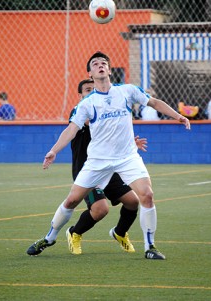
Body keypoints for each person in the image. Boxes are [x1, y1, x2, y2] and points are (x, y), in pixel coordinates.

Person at [26, 51, 190, 260]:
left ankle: (150, 247)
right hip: (98, 162)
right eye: (95, 64)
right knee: (71, 201)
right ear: (90, 73)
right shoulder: (87, 104)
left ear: (110, 70)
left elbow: (155, 103)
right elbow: (71, 130)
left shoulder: (127, 91)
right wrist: (53, 150)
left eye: (104, 63)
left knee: (146, 195)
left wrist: (178, 116)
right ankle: (49, 238)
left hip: (127, 158)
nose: (100, 65)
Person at [65, 78, 146, 255]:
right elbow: (96, 123)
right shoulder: (80, 111)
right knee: (101, 210)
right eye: (87, 90)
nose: (91, 92)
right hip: (89, 170)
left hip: (110, 166)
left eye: (93, 89)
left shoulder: (103, 107)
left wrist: (129, 142)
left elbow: (110, 133)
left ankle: (120, 233)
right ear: (80, 95)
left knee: (133, 202)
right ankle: (74, 233)